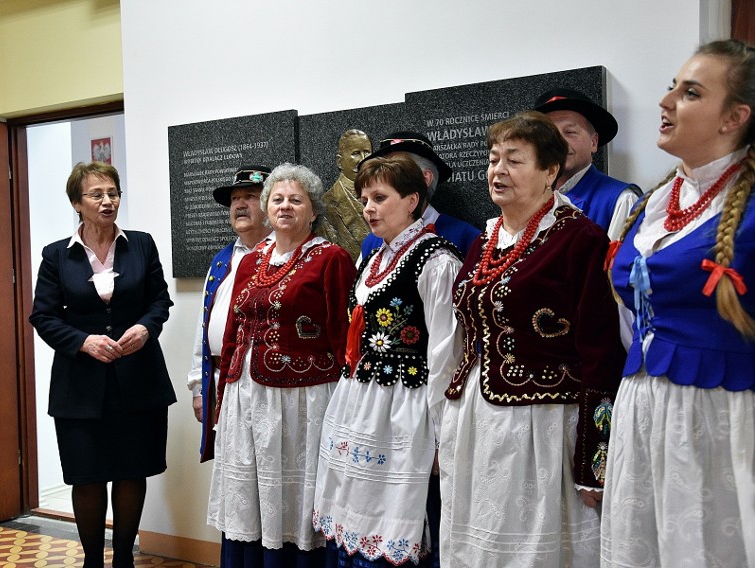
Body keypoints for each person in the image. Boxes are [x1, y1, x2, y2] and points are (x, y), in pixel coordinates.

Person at [440, 111, 625, 567]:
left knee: (533, 545)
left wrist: (592, 461)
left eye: (514, 160)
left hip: (541, 425)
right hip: (475, 418)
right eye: (493, 158)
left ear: (550, 171)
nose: (498, 171)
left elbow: (600, 352)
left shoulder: (578, 238)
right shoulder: (484, 240)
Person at [601, 39, 755, 568]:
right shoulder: (655, 201)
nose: (665, 102)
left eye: (690, 93)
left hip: (720, 417)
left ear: (734, 116)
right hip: (644, 409)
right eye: (672, 86)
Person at [313, 154, 464, 567]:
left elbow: (446, 354)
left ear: (412, 200)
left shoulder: (436, 260)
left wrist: (441, 434)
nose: (368, 208)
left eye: (380, 197)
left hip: (405, 407)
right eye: (364, 199)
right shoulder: (373, 257)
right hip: (361, 404)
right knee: (352, 511)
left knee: (398, 515)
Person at [207, 163, 356, 567]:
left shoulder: (331, 258)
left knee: (292, 497)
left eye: (296, 199)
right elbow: (233, 331)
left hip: (302, 402)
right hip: (245, 395)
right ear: (267, 207)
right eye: (277, 199)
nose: (285, 206)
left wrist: (348, 405)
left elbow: (345, 339)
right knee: (250, 498)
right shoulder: (251, 261)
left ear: (312, 210)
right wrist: (223, 396)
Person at [30, 161, 176, 568]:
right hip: (80, 385)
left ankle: (124, 560)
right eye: (97, 194)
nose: (107, 201)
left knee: (132, 471)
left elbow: (159, 301)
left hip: (139, 379)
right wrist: (83, 342)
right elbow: (43, 316)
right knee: (87, 475)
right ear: (77, 202)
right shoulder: (57, 255)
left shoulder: (142, 245)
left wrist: (146, 329)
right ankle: (93, 561)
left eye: (113, 193)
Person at [186, 165, 273, 462]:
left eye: (249, 196)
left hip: (266, 384)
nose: (239, 204)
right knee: (231, 473)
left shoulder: (285, 256)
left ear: (269, 204)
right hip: (222, 380)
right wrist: (199, 387)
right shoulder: (222, 260)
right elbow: (203, 327)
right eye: (235, 199)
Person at [534, 87, 641, 240]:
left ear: (593, 142)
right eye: (549, 134)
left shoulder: (621, 200)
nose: (558, 142)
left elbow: (616, 263)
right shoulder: (528, 197)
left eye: (570, 132)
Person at [359, 131, 480, 259]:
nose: (387, 177)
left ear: (425, 179)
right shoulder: (371, 243)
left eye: (399, 170)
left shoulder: (466, 238)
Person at [317, 129, 373, 259]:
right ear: (339, 162)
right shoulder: (327, 204)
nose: (363, 159)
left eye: (367, 152)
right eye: (356, 154)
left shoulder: (385, 196)